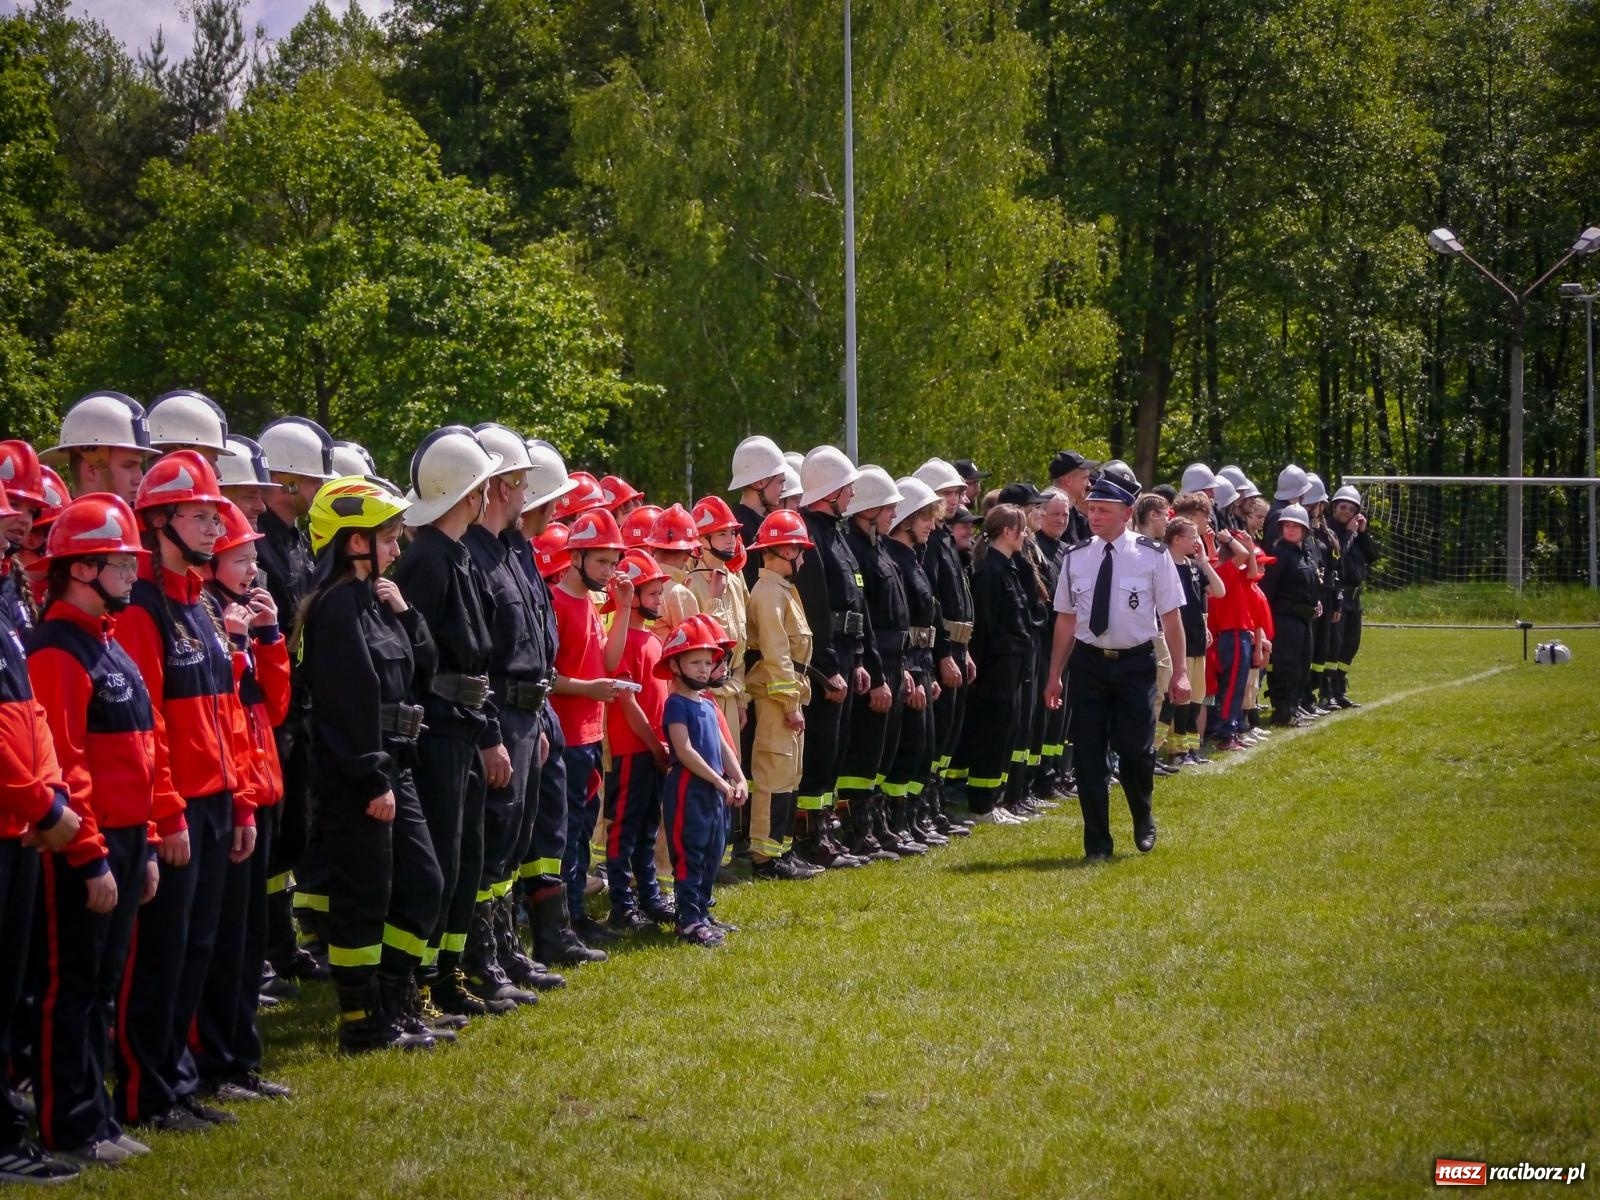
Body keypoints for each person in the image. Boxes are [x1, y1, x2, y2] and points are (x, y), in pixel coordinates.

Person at [114, 450, 256, 1133]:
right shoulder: (141, 610)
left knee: (198, 947)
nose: (213, 527)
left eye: (213, 515)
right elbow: (149, 729)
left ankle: (179, 1080)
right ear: (160, 519)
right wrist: (166, 812)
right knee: (162, 953)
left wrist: (243, 797)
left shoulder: (198, 604)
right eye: (201, 516)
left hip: (216, 801)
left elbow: (225, 713)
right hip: (174, 809)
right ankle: (146, 1092)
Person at [25, 494, 158, 1169]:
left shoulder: (106, 641)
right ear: (81, 569)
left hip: (128, 838)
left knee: (104, 982)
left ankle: (97, 1112)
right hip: (90, 844)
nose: (135, 572)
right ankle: (70, 1122)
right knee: (73, 985)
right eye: (121, 562)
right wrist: (91, 856)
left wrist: (150, 840)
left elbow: (142, 744)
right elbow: (66, 760)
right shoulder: (55, 648)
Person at [297, 476, 444, 1053]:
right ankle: (361, 1019)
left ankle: (395, 999)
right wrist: (371, 776)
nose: (397, 548)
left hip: (393, 766)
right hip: (362, 776)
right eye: (386, 536)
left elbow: (423, 671)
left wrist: (407, 615)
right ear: (351, 540)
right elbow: (348, 703)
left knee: (422, 882)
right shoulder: (335, 610)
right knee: (365, 895)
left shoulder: (374, 601)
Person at [390, 427, 511, 1018]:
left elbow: (474, 658)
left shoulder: (455, 556)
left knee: (463, 858)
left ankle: (448, 974)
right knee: (437, 858)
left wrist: (486, 731)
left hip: (466, 724)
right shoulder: (426, 563)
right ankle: (413, 981)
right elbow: (420, 658)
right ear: (471, 493)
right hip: (438, 730)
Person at [192, 500, 293, 1103]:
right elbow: (219, 710)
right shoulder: (205, 618)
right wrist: (233, 646)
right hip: (233, 795)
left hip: (260, 785)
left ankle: (240, 1060)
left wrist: (271, 635)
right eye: (241, 557)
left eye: (255, 556)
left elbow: (273, 707)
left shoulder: (242, 615)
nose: (253, 567)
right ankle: (213, 1062)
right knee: (222, 942)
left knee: (246, 939)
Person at [1043, 465, 1189, 860]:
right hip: (1089, 665)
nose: (1094, 516)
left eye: (1104, 510)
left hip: (1135, 664)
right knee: (1089, 757)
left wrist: (1181, 672)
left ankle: (1142, 815)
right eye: (1091, 509)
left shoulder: (1152, 556)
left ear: (1127, 513)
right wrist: (1055, 674)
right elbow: (1066, 619)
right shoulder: (1076, 557)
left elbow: (1172, 616)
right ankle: (1097, 845)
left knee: (1136, 752)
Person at [0, 485, 80, 1184]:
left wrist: (43, 796)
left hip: (21, 820)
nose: (15, 535)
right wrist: (41, 802)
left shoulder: (5, 600)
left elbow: (29, 716)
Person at [458, 424, 552, 1008]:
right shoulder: (473, 554)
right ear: (497, 486)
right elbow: (480, 658)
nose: (527, 496)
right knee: (490, 839)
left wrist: (537, 722)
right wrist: (495, 731)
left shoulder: (511, 549)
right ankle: (480, 959)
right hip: (498, 717)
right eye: (519, 484)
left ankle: (505, 945)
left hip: (527, 715)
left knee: (513, 842)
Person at [256, 416, 336, 989]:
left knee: (289, 834)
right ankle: (267, 946)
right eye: (310, 481)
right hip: (271, 710)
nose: (315, 491)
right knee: (270, 834)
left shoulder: (295, 544)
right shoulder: (261, 547)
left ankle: (281, 945)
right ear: (286, 481)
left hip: (299, 706)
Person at [547, 507, 626, 957]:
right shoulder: (557, 604)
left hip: (592, 735)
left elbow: (610, 663)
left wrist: (626, 605)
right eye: (601, 563)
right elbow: (546, 677)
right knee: (567, 830)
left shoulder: (593, 605)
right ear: (575, 559)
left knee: (581, 831)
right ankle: (564, 919)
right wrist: (590, 688)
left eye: (613, 563)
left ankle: (576, 914)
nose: (609, 572)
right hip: (567, 736)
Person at [791, 447, 872, 870]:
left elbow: (854, 597)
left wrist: (858, 660)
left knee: (835, 750)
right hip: (824, 660)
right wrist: (827, 669)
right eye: (848, 487)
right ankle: (809, 835)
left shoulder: (835, 532)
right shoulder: (809, 533)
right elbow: (817, 608)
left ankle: (825, 827)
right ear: (832, 490)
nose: (853, 494)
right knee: (820, 751)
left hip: (845, 653)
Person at [598, 550, 678, 926]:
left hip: (653, 749)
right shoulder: (625, 640)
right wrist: (654, 744)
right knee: (624, 829)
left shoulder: (652, 640)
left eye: (660, 594)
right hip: (633, 749)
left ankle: (649, 896)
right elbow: (629, 704)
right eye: (652, 594)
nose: (659, 601)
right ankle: (621, 904)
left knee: (648, 828)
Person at [657, 620, 747, 946]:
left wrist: (738, 777)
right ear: (674, 665)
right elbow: (684, 751)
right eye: (695, 662)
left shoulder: (707, 703)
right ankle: (689, 921)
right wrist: (720, 782)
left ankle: (703, 911)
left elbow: (723, 746)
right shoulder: (676, 705)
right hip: (688, 792)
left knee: (713, 852)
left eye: (708, 662)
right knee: (690, 854)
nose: (703, 669)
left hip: (714, 792)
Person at [743, 509, 821, 881]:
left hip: (790, 696)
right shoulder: (768, 593)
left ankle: (782, 851)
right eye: (798, 549)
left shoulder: (782, 591)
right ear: (784, 551)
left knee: (789, 776)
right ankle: (765, 857)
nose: (803, 557)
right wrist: (790, 705)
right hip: (778, 700)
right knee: (774, 775)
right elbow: (776, 654)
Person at [836, 467, 910, 860]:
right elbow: (868, 619)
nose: (893, 513)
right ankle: (856, 828)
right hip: (875, 661)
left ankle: (875, 822)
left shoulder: (876, 547)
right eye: (887, 507)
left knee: (883, 751)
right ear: (870, 508)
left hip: (893, 661)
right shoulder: (857, 549)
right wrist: (877, 672)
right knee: (862, 753)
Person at [882, 478, 947, 850]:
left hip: (921, 661)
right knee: (908, 746)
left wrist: (930, 668)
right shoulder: (895, 558)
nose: (931, 525)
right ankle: (895, 823)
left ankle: (911, 819)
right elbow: (899, 620)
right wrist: (911, 671)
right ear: (905, 518)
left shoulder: (913, 558)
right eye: (924, 517)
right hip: (908, 664)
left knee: (924, 747)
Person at [959, 505, 1033, 824]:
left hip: (1011, 668)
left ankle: (995, 799)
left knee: (1005, 733)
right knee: (991, 736)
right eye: (1022, 529)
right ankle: (981, 806)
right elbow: (984, 627)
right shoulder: (990, 571)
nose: (1025, 534)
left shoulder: (1008, 567)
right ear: (1007, 532)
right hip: (995, 671)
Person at [912, 461, 975, 834]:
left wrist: (964, 651)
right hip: (937, 651)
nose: (958, 498)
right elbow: (931, 604)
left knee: (948, 735)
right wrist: (945, 655)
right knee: (932, 738)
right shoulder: (928, 545)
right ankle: (921, 810)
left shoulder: (944, 539)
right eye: (950, 493)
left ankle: (934, 805)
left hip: (956, 647)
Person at [1162, 511, 1224, 766]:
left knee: (1196, 698)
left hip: (1198, 641)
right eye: (1192, 538)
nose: (1197, 542)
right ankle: (1175, 751)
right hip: (1180, 642)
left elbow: (1219, 591)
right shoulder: (1165, 566)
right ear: (1176, 540)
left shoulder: (1194, 567)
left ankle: (1189, 748)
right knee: (1180, 699)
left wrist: (1204, 561)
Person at [1260, 503, 1318, 726]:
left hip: (1303, 620)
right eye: (1287, 526)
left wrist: (1316, 602)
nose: (1291, 530)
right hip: (1285, 620)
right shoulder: (1279, 553)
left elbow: (1310, 582)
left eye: (1296, 526)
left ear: (1304, 530)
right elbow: (1269, 590)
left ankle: (1294, 707)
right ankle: (1283, 711)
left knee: (1301, 667)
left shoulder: (1304, 553)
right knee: (1286, 666)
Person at [43, 390, 150, 503]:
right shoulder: (57, 521)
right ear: (91, 470)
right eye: (128, 466)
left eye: (139, 466)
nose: (140, 479)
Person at [1327, 484, 1378, 707]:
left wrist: (1363, 533)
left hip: (1354, 598)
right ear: (1334, 507)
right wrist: (1348, 532)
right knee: (1334, 645)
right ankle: (1326, 691)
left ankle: (1340, 687)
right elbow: (1338, 556)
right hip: (1338, 595)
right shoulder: (1331, 531)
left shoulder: (1357, 534)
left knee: (1351, 644)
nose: (1346, 512)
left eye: (1351, 509)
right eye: (1342, 507)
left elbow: (1373, 556)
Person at [728, 436, 787, 589]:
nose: (784, 488)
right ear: (759, 482)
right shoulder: (740, 530)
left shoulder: (751, 523)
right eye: (780, 481)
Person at [1047, 450, 1095, 543]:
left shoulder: (1079, 519)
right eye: (1085, 478)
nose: (1089, 484)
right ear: (1068, 480)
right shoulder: (1045, 517)